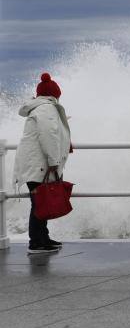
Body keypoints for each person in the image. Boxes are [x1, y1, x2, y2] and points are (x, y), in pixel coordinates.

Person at [13, 73, 72, 254]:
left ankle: (42, 238)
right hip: (39, 165)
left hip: (35, 164)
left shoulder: (41, 107)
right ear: (55, 94)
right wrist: (54, 161)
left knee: (41, 202)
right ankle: (36, 243)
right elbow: (48, 135)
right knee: (39, 204)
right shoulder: (46, 109)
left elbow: (52, 133)